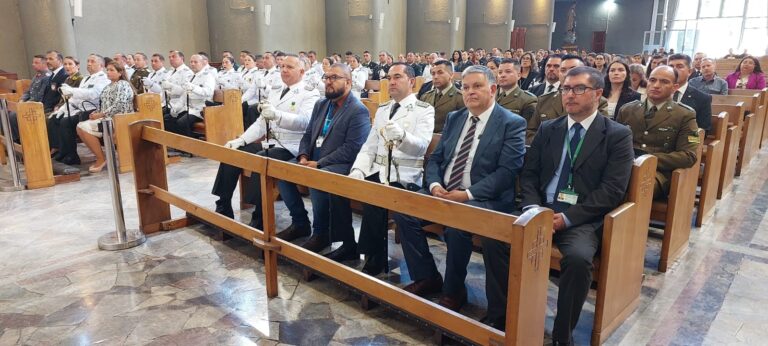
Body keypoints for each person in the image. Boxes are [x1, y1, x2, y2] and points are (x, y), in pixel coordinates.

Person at [498, 66, 634, 342]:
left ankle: (562, 334)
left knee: (578, 258)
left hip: (580, 217)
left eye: (578, 89)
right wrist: (534, 209)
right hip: (539, 209)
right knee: (496, 239)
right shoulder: (551, 128)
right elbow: (530, 173)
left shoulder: (617, 134)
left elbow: (612, 190)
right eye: (566, 89)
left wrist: (566, 219)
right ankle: (501, 315)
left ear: (598, 93)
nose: (570, 95)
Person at [392, 65, 526, 314]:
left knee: (456, 227)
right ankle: (427, 277)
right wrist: (433, 185)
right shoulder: (456, 118)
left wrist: (467, 194)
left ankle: (454, 291)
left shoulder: (511, 123)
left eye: (477, 86)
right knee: (404, 211)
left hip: (484, 197)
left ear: (493, 89)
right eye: (465, 87)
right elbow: (437, 158)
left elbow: (507, 173)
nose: (470, 92)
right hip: (444, 191)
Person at [211, 55, 320, 234]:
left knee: (261, 161)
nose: (284, 70)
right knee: (234, 152)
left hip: (292, 147)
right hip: (271, 142)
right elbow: (262, 122)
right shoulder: (277, 89)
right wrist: (242, 139)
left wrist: (277, 115)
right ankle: (223, 206)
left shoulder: (310, 92)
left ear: (302, 71)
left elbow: (305, 122)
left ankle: (259, 217)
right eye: (282, 66)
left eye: (289, 67)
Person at [348, 63, 434, 273]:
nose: (391, 82)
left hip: (404, 176)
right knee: (360, 188)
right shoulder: (384, 109)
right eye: (389, 77)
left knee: (376, 196)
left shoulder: (424, 110)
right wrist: (358, 169)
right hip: (379, 172)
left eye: (397, 77)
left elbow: (422, 146)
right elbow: (369, 145)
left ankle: (374, 260)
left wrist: (403, 137)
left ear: (411, 82)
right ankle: (364, 252)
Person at [282, 63, 371, 255]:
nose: (328, 82)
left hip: (341, 164)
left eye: (334, 78)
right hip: (314, 159)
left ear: (348, 82)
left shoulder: (358, 110)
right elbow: (308, 134)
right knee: (284, 170)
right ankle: (300, 222)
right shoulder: (321, 104)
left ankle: (321, 233)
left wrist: (319, 163)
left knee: (318, 178)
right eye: (326, 77)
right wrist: (304, 155)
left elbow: (353, 148)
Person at [616, 65, 699, 198]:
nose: (656, 85)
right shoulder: (627, 110)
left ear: (675, 87)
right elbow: (613, 143)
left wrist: (645, 160)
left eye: (664, 82)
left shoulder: (685, 115)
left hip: (657, 173)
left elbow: (689, 156)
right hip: (623, 167)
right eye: (652, 80)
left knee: (628, 186)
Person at [527, 55, 608, 144]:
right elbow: (531, 132)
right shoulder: (544, 100)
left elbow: (601, 134)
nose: (567, 74)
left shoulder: (596, 100)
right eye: (563, 70)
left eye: (573, 69)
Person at [50, 54, 110, 165]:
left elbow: (92, 94)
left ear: (101, 65)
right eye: (88, 61)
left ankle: (72, 156)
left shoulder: (103, 79)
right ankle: (63, 152)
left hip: (93, 110)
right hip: (80, 109)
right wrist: (63, 108)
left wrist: (72, 91)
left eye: (92, 61)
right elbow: (76, 98)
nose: (89, 64)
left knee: (66, 122)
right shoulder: (86, 78)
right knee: (56, 118)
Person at [75, 61, 135, 173]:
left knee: (82, 127)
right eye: (107, 70)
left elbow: (119, 104)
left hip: (120, 119)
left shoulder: (123, 84)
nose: (108, 72)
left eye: (112, 70)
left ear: (120, 72)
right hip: (106, 118)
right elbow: (103, 105)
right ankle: (101, 157)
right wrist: (96, 113)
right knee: (81, 126)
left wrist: (101, 114)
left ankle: (101, 158)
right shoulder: (108, 86)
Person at [163, 54, 215, 138]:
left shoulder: (208, 76)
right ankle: (179, 143)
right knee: (167, 119)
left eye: (195, 62)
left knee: (182, 122)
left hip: (200, 109)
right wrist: (176, 108)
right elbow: (184, 95)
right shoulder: (190, 77)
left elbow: (208, 92)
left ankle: (191, 145)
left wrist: (193, 88)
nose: (193, 64)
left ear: (202, 63)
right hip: (187, 108)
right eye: (191, 62)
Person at [7, 55, 51, 144]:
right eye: (33, 62)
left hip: (38, 106)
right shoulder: (36, 76)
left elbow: (40, 96)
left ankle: (19, 141)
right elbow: (28, 91)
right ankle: (13, 140)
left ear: (44, 64)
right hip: (29, 103)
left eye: (36, 63)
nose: (33, 64)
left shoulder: (47, 77)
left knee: (13, 115)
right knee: (7, 112)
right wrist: (22, 100)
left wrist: (26, 104)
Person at [667, 53, 712, 132]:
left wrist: (684, 142)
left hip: (684, 142)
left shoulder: (702, 98)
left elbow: (703, 131)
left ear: (689, 71)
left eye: (679, 66)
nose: (674, 70)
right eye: (670, 67)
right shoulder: (658, 92)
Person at [419, 60, 463, 133]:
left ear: (451, 75)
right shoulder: (425, 96)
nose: (435, 77)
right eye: (433, 74)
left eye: (440, 73)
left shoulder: (460, 98)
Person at [495, 59, 537, 123]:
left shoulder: (528, 100)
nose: (502, 75)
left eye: (508, 72)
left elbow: (528, 130)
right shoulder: (490, 96)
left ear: (519, 75)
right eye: (500, 72)